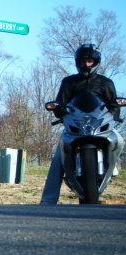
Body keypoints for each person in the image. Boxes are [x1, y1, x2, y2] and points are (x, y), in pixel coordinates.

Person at [40, 43, 123, 204]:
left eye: (90, 61)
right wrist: (60, 111)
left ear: (96, 62)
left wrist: (113, 115)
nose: (86, 64)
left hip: (102, 127)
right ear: (77, 62)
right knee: (58, 159)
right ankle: (47, 201)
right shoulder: (69, 82)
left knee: (119, 141)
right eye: (83, 61)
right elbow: (60, 103)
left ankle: (112, 165)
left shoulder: (105, 83)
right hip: (74, 128)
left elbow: (113, 105)